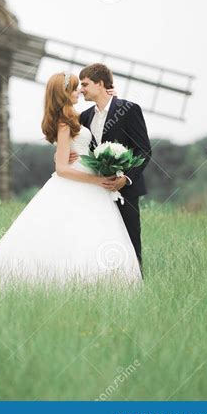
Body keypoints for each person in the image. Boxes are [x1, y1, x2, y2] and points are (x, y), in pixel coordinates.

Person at [0, 72, 142, 288]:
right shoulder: (65, 122)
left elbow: (100, 120)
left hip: (89, 180)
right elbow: (62, 169)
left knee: (89, 232)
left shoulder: (75, 117)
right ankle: (68, 279)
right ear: (64, 93)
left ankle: (95, 280)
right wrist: (96, 180)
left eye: (80, 87)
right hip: (79, 182)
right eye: (74, 88)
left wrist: (110, 98)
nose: (79, 92)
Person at [71, 63, 152, 274]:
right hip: (96, 189)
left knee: (130, 239)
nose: (81, 89)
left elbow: (143, 150)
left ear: (99, 84)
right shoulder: (85, 117)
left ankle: (137, 281)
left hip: (126, 189)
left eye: (85, 84)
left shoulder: (129, 110)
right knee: (99, 238)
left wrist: (126, 178)